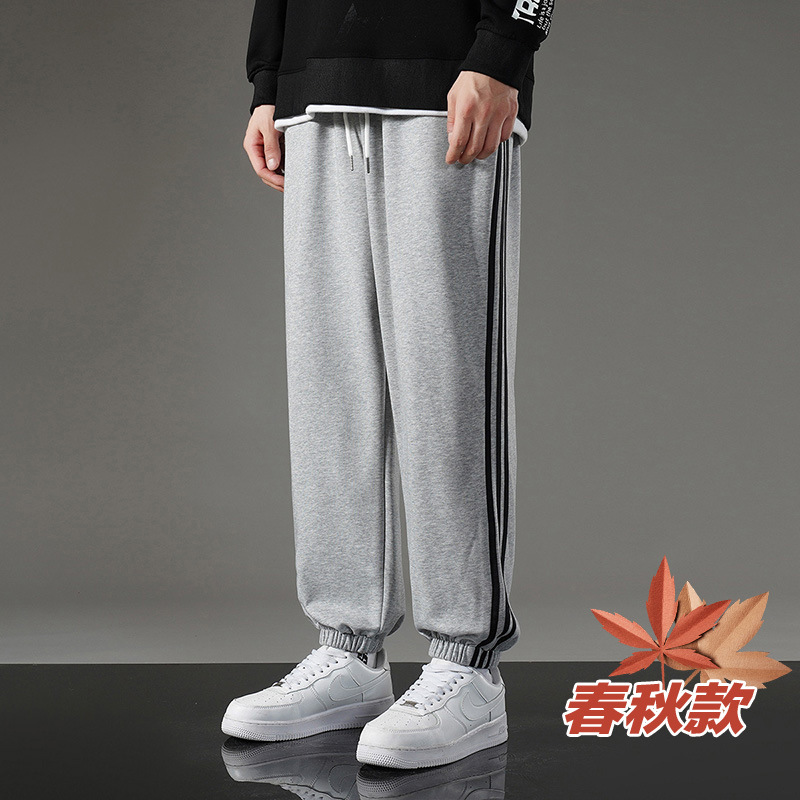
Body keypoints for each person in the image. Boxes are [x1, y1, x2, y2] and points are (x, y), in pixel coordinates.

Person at [222, 0, 555, 770]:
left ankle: (467, 665)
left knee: (447, 381)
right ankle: (348, 650)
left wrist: (503, 48)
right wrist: (269, 81)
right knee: (329, 384)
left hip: (447, 76)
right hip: (315, 88)